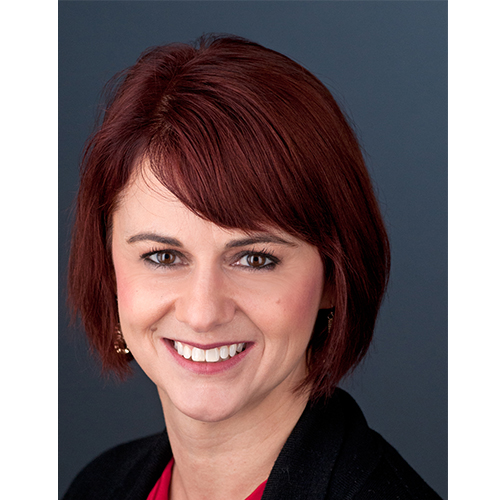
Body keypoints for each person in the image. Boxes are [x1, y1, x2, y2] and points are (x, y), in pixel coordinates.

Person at [63, 35, 439, 500]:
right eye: (163, 257)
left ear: (332, 279)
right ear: (108, 266)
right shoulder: (99, 487)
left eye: (255, 259)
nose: (203, 312)